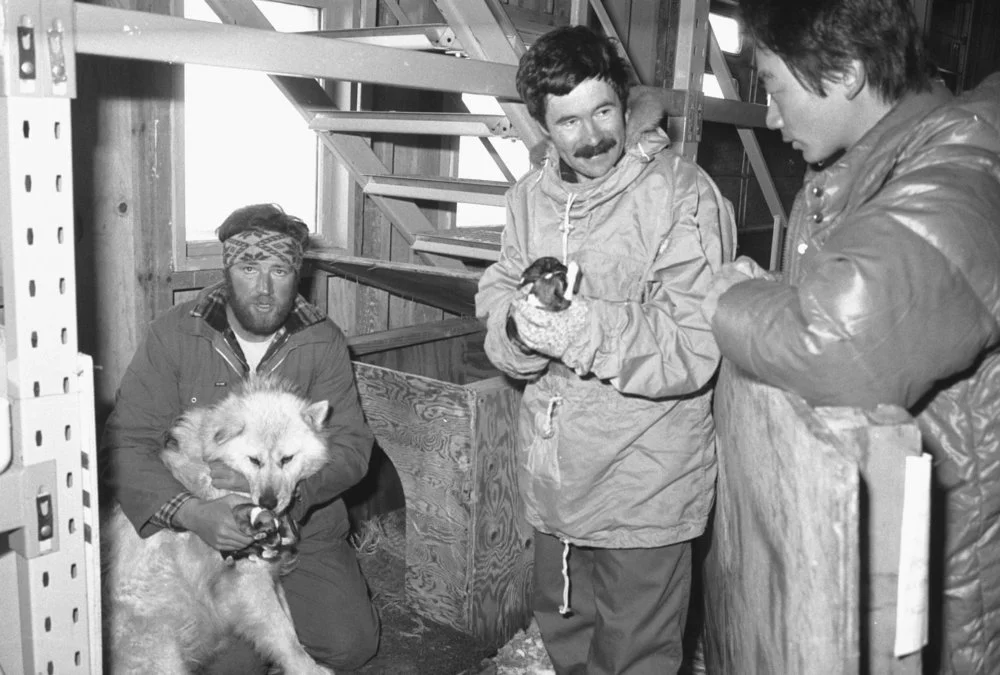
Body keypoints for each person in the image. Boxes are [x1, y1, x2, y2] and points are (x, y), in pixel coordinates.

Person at [698, 0, 1000, 671]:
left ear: (849, 70)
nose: (771, 117)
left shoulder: (959, 174)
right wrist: (772, 294)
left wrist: (731, 300)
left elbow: (835, 340)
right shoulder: (869, 163)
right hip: (895, 538)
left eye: (774, 86)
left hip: (950, 576)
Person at [475, 25, 735, 674]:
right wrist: (517, 332)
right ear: (541, 124)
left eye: (603, 111)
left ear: (625, 101)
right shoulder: (527, 198)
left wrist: (580, 330)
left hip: (643, 483)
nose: (592, 137)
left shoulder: (681, 193)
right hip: (556, 478)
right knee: (566, 636)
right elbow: (499, 289)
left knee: (633, 655)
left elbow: (691, 346)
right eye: (567, 122)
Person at [100, 203, 380, 672]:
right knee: (229, 662)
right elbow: (123, 446)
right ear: (227, 269)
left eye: (280, 269)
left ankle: (272, 608)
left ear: (299, 274)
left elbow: (352, 446)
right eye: (250, 267)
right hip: (197, 533)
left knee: (351, 644)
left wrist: (295, 503)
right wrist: (192, 512)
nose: (266, 288)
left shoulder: (322, 340)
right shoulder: (174, 333)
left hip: (303, 524)